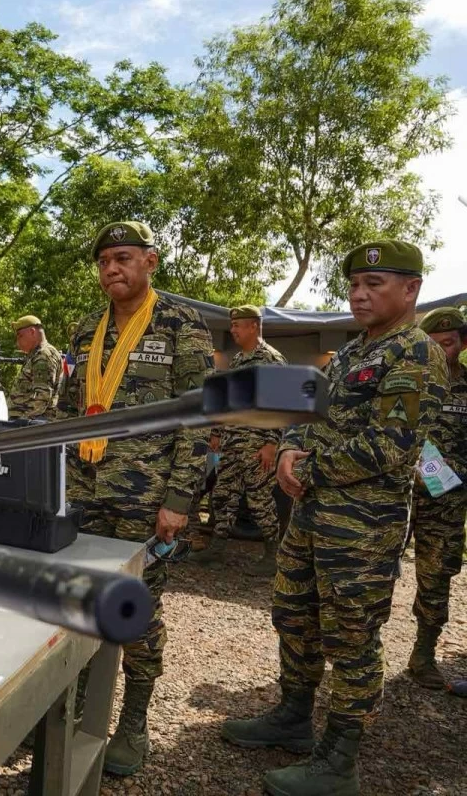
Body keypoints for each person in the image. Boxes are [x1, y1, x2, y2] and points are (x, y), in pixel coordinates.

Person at [222, 240, 445, 796]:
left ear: (411, 289)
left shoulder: (414, 353)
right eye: (354, 285)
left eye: (375, 284)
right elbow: (306, 409)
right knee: (294, 616)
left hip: (364, 528)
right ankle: (293, 718)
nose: (359, 294)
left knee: (351, 637)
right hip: (312, 515)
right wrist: (293, 448)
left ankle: (339, 763)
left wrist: (308, 466)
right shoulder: (350, 352)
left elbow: (391, 448)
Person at [57, 220, 215, 776]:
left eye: (123, 258)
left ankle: (134, 723)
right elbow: (66, 416)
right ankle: (70, 712)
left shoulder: (182, 328)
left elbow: (200, 420)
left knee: (136, 609)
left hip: (145, 500)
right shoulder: (84, 332)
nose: (111, 270)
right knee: (78, 600)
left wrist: (179, 499)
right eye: (103, 261)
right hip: (83, 492)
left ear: (150, 261)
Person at [192, 305, 288, 573]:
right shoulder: (236, 360)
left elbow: (280, 403)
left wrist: (271, 443)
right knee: (223, 495)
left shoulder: (271, 359)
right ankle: (216, 550)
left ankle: (272, 556)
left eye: (237, 325)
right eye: (232, 325)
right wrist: (218, 432)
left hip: (258, 445)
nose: (232, 330)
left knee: (260, 500)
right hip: (233, 443)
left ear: (254, 326)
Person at [404, 307, 467, 689]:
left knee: (437, 575)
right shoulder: (409, 381)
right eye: (433, 344)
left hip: (446, 501)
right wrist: (428, 469)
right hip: (394, 495)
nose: (441, 351)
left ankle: (423, 654)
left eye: (448, 343)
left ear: (462, 343)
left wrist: (446, 475)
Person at [8, 315, 62, 420]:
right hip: (32, 423)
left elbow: (42, 397)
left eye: (20, 336)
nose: (17, 342)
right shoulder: (37, 354)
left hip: (35, 425)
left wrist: (23, 421)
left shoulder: (43, 356)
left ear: (32, 332)